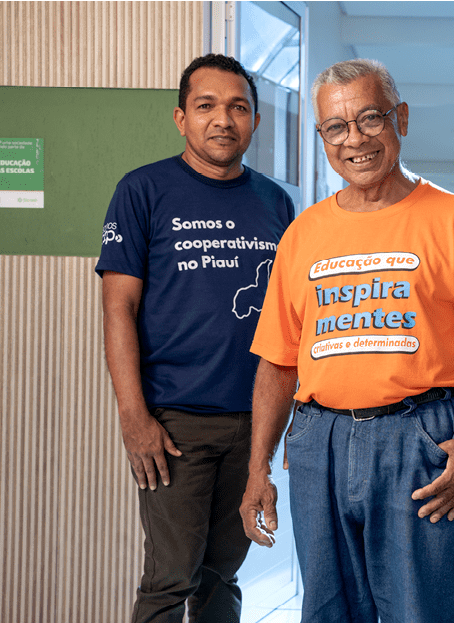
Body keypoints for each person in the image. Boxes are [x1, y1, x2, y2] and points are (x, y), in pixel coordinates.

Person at [239, 58, 454, 623]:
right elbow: (277, 362)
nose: (355, 140)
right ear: (322, 136)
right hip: (318, 441)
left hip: (419, 439)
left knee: (420, 611)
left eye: (370, 118)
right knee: (327, 610)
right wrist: (257, 468)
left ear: (402, 120)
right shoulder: (303, 235)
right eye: (336, 127)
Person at [97, 54, 295, 622]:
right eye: (206, 106)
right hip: (174, 422)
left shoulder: (276, 203)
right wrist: (135, 418)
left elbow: (289, 318)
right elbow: (119, 309)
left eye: (238, 107)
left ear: (255, 120)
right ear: (181, 117)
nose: (223, 120)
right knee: (170, 577)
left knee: (222, 576)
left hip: (253, 421)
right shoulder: (142, 190)